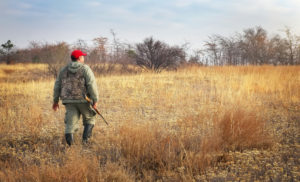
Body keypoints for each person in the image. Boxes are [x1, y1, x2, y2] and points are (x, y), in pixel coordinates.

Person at [52, 50, 99, 146]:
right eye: (83, 56)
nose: (84, 58)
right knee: (90, 118)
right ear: (79, 58)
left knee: (70, 124)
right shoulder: (85, 68)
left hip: (68, 101)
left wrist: (55, 101)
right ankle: (85, 143)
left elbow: (57, 86)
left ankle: (71, 147)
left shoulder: (63, 70)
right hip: (84, 100)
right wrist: (95, 100)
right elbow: (91, 85)